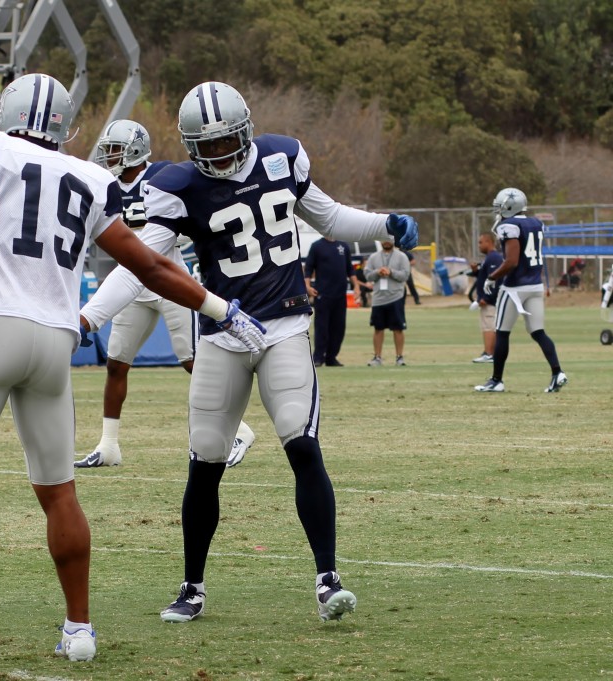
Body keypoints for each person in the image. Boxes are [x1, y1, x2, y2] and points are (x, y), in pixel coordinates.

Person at [0, 74, 266, 668]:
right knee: (59, 493)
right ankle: (79, 629)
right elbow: (148, 263)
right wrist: (221, 308)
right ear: (66, 127)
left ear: (7, 112)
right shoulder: (93, 178)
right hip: (55, 341)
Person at [79, 81, 419, 623]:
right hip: (222, 334)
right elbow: (141, 263)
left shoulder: (283, 158)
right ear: (189, 146)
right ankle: (192, 587)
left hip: (284, 325)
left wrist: (385, 224)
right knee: (205, 462)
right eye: (204, 146)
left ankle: (328, 580)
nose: (216, 154)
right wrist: (89, 316)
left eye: (224, 142)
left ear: (246, 130)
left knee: (301, 443)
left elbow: (328, 218)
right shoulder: (176, 185)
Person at [75, 119, 255, 469]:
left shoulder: (161, 176)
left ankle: (240, 429)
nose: (109, 157)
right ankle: (108, 446)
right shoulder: (107, 186)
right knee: (116, 363)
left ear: (135, 149)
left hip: (170, 282)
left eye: (115, 150)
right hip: (129, 285)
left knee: (192, 362)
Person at [475, 188, 567, 393]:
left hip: (515, 288)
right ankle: (557, 372)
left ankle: (497, 380)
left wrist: (492, 277)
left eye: (500, 206)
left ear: (508, 206)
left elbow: (511, 261)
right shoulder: (536, 223)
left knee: (502, 333)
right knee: (538, 332)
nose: (497, 210)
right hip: (535, 285)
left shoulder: (509, 226)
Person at [304, 236, 361, 367]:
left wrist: (356, 286)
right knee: (322, 327)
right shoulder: (317, 246)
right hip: (322, 294)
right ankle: (318, 357)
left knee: (338, 328)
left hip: (340, 295)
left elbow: (350, 269)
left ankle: (331, 357)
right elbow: (308, 268)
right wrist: (308, 287)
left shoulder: (343, 246)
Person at [365, 236, 411, 366]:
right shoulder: (373, 257)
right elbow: (367, 274)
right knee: (378, 328)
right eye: (384, 239)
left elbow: (405, 275)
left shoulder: (402, 257)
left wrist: (391, 272)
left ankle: (399, 357)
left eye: (389, 239)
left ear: (393, 241)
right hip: (378, 298)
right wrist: (378, 272)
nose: (386, 242)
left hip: (396, 297)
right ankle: (377, 357)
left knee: (398, 328)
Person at [469, 232, 503, 363]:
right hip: (486, 300)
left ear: (489, 242)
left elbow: (496, 279)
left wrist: (487, 298)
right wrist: (476, 272)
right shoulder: (488, 258)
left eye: (480, 242)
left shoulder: (494, 258)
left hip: (491, 301)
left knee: (489, 326)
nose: (479, 245)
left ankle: (489, 354)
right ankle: (487, 352)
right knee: (486, 326)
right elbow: (484, 278)